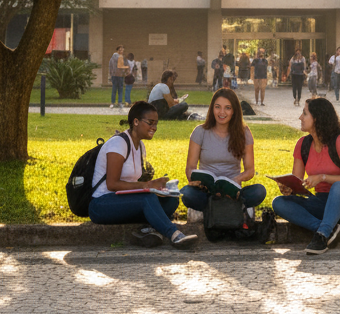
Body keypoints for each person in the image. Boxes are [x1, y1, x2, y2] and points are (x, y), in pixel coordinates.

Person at [88, 100, 197, 249]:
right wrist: (147, 186)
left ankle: (146, 230)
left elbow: (134, 185)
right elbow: (112, 184)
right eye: (150, 122)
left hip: (122, 202)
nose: (154, 127)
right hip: (101, 205)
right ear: (136, 122)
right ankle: (175, 235)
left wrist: (156, 187)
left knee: (171, 201)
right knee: (148, 198)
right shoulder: (118, 144)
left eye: (156, 123)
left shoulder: (140, 146)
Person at [271, 98, 340, 254]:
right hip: (322, 202)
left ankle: (321, 236)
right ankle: (327, 228)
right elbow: (298, 182)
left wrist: (322, 177)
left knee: (338, 186)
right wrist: (289, 188)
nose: (300, 117)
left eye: (304, 113)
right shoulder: (303, 144)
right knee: (279, 203)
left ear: (317, 118)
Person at [182, 89, 267, 218]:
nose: (222, 112)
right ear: (212, 109)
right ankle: (230, 207)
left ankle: (215, 208)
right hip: (206, 191)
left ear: (234, 111)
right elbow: (190, 167)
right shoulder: (200, 132)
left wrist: (234, 181)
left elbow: (250, 171)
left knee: (259, 191)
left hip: (233, 192)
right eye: (218, 107)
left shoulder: (244, 132)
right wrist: (194, 181)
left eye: (227, 108)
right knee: (187, 194)